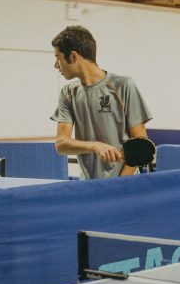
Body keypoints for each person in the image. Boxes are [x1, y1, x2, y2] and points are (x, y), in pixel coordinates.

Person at [50, 25, 153, 180]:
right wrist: (95, 145)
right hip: (88, 186)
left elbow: (139, 145)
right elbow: (61, 143)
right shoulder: (68, 93)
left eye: (58, 57)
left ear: (73, 56)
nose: (56, 65)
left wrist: (119, 185)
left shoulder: (124, 85)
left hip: (123, 185)